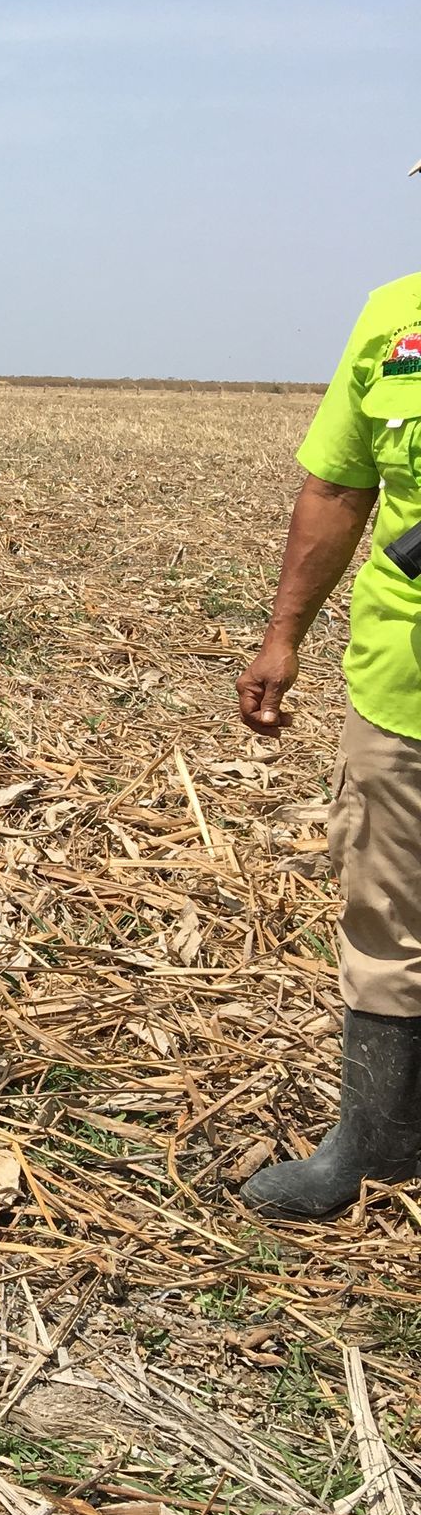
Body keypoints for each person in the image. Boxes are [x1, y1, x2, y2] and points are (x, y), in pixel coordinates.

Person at [237, 261, 421, 1214]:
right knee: (387, 917)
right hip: (402, 687)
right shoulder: (395, 317)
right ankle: (373, 1147)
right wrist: (283, 636)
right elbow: (340, 487)